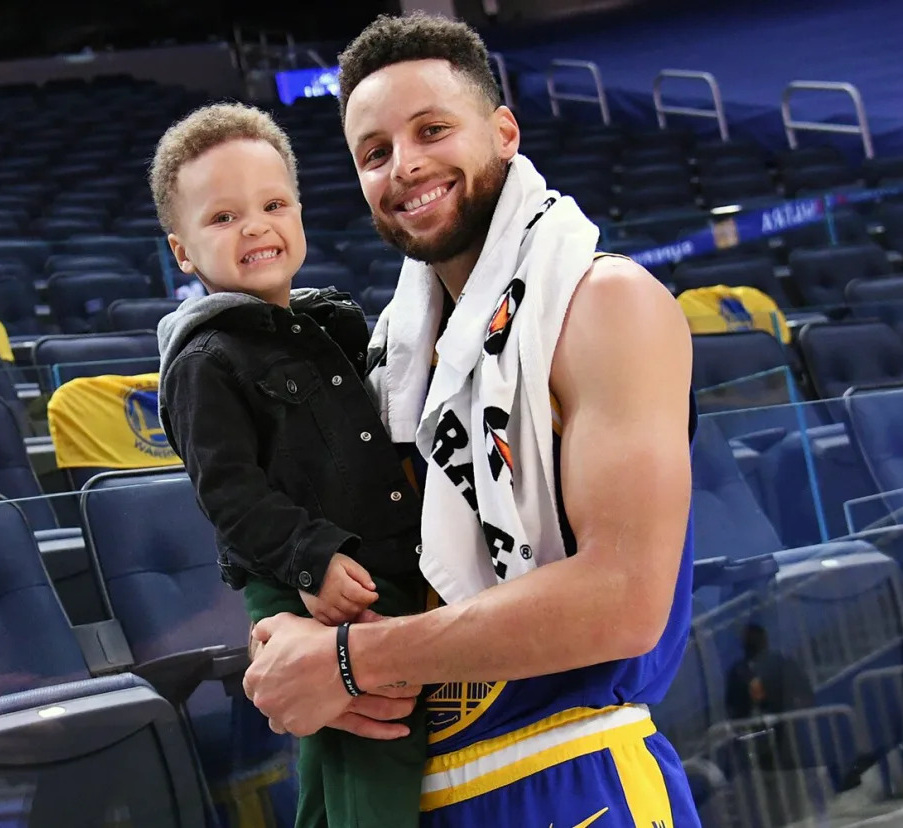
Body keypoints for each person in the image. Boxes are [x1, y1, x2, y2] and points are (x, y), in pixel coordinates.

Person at [243, 13, 700, 828]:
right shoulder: (388, 360)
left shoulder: (606, 304)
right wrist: (288, 636)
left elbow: (628, 599)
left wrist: (350, 661)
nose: (405, 165)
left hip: (571, 778)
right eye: (374, 153)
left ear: (504, 132)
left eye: (431, 130)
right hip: (417, 789)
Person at [150, 102, 428, 828]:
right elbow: (230, 496)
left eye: (274, 204)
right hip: (307, 584)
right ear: (183, 252)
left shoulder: (328, 325)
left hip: (360, 571)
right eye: (222, 218)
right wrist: (313, 561)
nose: (255, 227)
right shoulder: (204, 361)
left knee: (334, 763)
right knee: (382, 741)